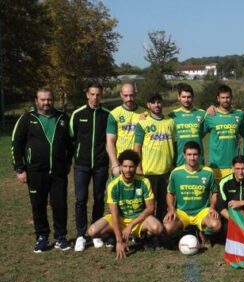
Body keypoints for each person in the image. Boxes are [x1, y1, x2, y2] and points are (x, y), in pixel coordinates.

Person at [12, 87, 74, 253]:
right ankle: (42, 237)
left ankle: (61, 237)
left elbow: (70, 144)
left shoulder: (62, 118)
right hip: (35, 172)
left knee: (60, 204)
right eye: (43, 99)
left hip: (58, 172)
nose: (46, 102)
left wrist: (68, 162)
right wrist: (19, 168)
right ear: (36, 100)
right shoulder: (27, 118)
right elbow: (16, 144)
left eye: (49, 99)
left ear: (53, 100)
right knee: (38, 205)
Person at [87, 150, 163, 259]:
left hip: (138, 220)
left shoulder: (144, 182)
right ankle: (115, 235)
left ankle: (143, 237)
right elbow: (114, 214)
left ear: (136, 166)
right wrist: (119, 241)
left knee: (157, 228)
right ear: (120, 167)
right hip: (120, 219)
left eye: (131, 166)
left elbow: (150, 208)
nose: (128, 170)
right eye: (125, 166)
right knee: (92, 231)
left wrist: (131, 224)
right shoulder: (113, 185)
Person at [69, 83, 111, 251]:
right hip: (82, 165)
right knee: (81, 199)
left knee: (99, 198)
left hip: (101, 164)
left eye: (98, 95)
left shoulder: (107, 115)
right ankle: (81, 234)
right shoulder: (78, 114)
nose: (95, 97)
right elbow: (71, 138)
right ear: (87, 95)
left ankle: (96, 232)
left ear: (101, 96)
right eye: (92, 94)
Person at [163, 142, 221, 246]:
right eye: (189, 154)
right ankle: (181, 233)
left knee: (216, 225)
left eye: (195, 154)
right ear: (184, 155)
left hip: (202, 212)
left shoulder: (208, 172)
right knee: (167, 227)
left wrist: (212, 207)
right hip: (182, 212)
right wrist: (171, 209)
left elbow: (215, 192)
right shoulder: (176, 173)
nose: (192, 158)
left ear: (199, 155)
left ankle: (204, 234)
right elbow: (170, 193)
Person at [134, 93, 176, 222]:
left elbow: (174, 144)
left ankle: (161, 233)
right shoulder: (143, 122)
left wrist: (173, 165)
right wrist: (138, 168)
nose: (157, 105)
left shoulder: (170, 121)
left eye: (159, 102)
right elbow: (137, 147)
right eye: (153, 102)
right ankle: (148, 233)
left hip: (166, 172)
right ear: (148, 105)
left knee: (164, 204)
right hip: (149, 171)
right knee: (149, 206)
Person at [203, 85, 244, 180]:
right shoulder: (210, 115)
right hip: (216, 165)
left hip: (235, 165)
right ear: (218, 99)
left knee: (235, 194)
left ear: (231, 98)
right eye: (223, 98)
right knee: (217, 194)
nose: (225, 100)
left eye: (228, 97)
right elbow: (199, 135)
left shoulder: (239, 115)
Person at [106, 83, 147, 177]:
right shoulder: (114, 114)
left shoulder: (145, 113)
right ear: (121, 95)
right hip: (122, 164)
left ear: (135, 94)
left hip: (141, 163)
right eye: (126, 95)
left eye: (131, 95)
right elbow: (110, 141)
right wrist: (115, 164)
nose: (129, 98)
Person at [169, 83, 206, 166]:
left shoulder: (202, 114)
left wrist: (212, 107)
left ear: (193, 97)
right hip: (179, 161)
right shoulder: (172, 116)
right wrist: (145, 115)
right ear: (178, 97)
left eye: (189, 97)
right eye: (184, 97)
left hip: (198, 161)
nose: (186, 100)